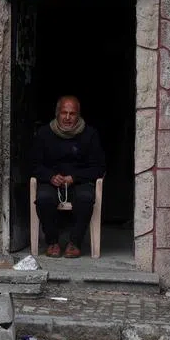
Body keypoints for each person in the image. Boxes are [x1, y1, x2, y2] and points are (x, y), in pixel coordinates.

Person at [32, 95, 105, 258]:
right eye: (64, 113)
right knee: (44, 199)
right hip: (52, 182)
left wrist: (75, 177)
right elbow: (34, 165)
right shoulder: (44, 133)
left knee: (85, 199)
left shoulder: (90, 134)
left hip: (79, 181)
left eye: (72, 114)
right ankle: (52, 242)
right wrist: (51, 176)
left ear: (78, 115)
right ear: (57, 113)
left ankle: (75, 243)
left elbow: (99, 168)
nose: (67, 117)